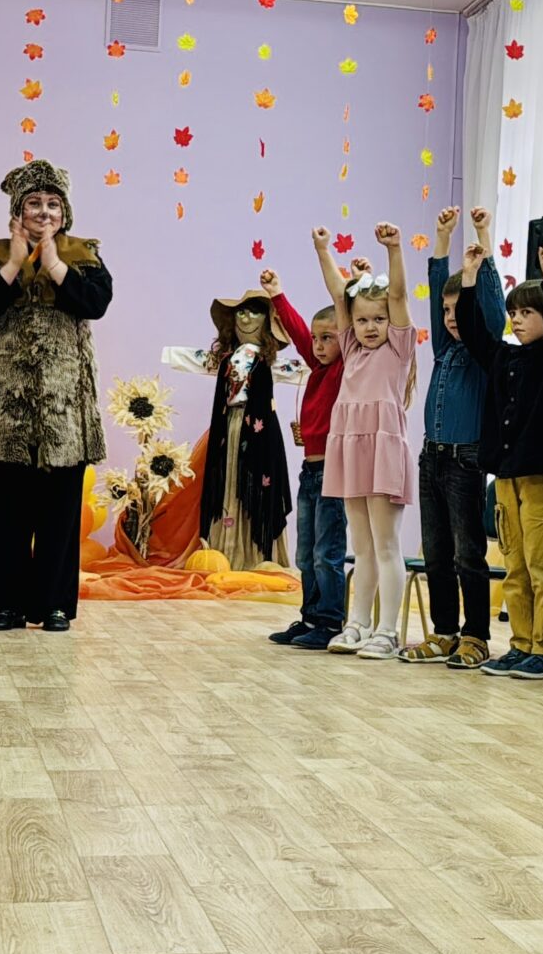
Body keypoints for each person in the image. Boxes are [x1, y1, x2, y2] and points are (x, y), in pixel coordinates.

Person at [0, 160, 111, 633]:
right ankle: (4, 604)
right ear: (17, 212)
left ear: (64, 212)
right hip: (7, 408)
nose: (44, 212)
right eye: (33, 204)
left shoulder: (83, 254)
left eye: (52, 204)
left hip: (65, 407)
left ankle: (54, 605)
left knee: (59, 511)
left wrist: (53, 263)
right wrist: (14, 262)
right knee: (6, 510)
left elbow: (96, 303)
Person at [458, 222, 543, 681]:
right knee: (515, 565)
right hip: (507, 477)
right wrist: (470, 278)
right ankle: (520, 643)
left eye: (527, 313)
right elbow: (473, 332)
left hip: (542, 476)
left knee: (541, 566)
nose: (517, 320)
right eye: (514, 313)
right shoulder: (504, 356)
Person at [315, 222, 418, 659]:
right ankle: (357, 623)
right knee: (361, 546)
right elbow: (338, 293)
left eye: (378, 319)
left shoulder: (398, 349)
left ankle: (387, 631)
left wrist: (394, 249)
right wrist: (323, 250)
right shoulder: (352, 348)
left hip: (382, 449)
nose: (370, 327)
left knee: (386, 543)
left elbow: (399, 295)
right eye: (362, 320)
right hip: (349, 447)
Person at [414, 208, 504, 666]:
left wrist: (482, 241)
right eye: (447, 312)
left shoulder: (485, 352)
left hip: (466, 461)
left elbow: (491, 305)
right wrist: (442, 237)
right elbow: (436, 290)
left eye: (458, 310)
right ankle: (445, 631)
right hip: (431, 459)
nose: (451, 318)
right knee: (436, 552)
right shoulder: (444, 349)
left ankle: (476, 636)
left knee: (469, 553)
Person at [167, 289, 292, 570]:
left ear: (267, 321)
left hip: (259, 431)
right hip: (229, 426)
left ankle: (255, 554)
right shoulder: (226, 359)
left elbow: (305, 370)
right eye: (241, 312)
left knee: (255, 481)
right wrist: (169, 354)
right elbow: (194, 359)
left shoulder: (270, 362)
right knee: (228, 482)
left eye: (254, 312)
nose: (246, 318)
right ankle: (227, 548)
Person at [264, 270, 347, 652]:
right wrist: (277, 295)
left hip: (333, 471)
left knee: (326, 553)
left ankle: (329, 621)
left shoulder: (344, 371)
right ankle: (311, 616)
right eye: (316, 338)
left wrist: (352, 288)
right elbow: (298, 332)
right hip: (310, 471)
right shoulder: (317, 369)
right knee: (305, 553)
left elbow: (341, 329)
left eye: (328, 337)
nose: (318, 345)